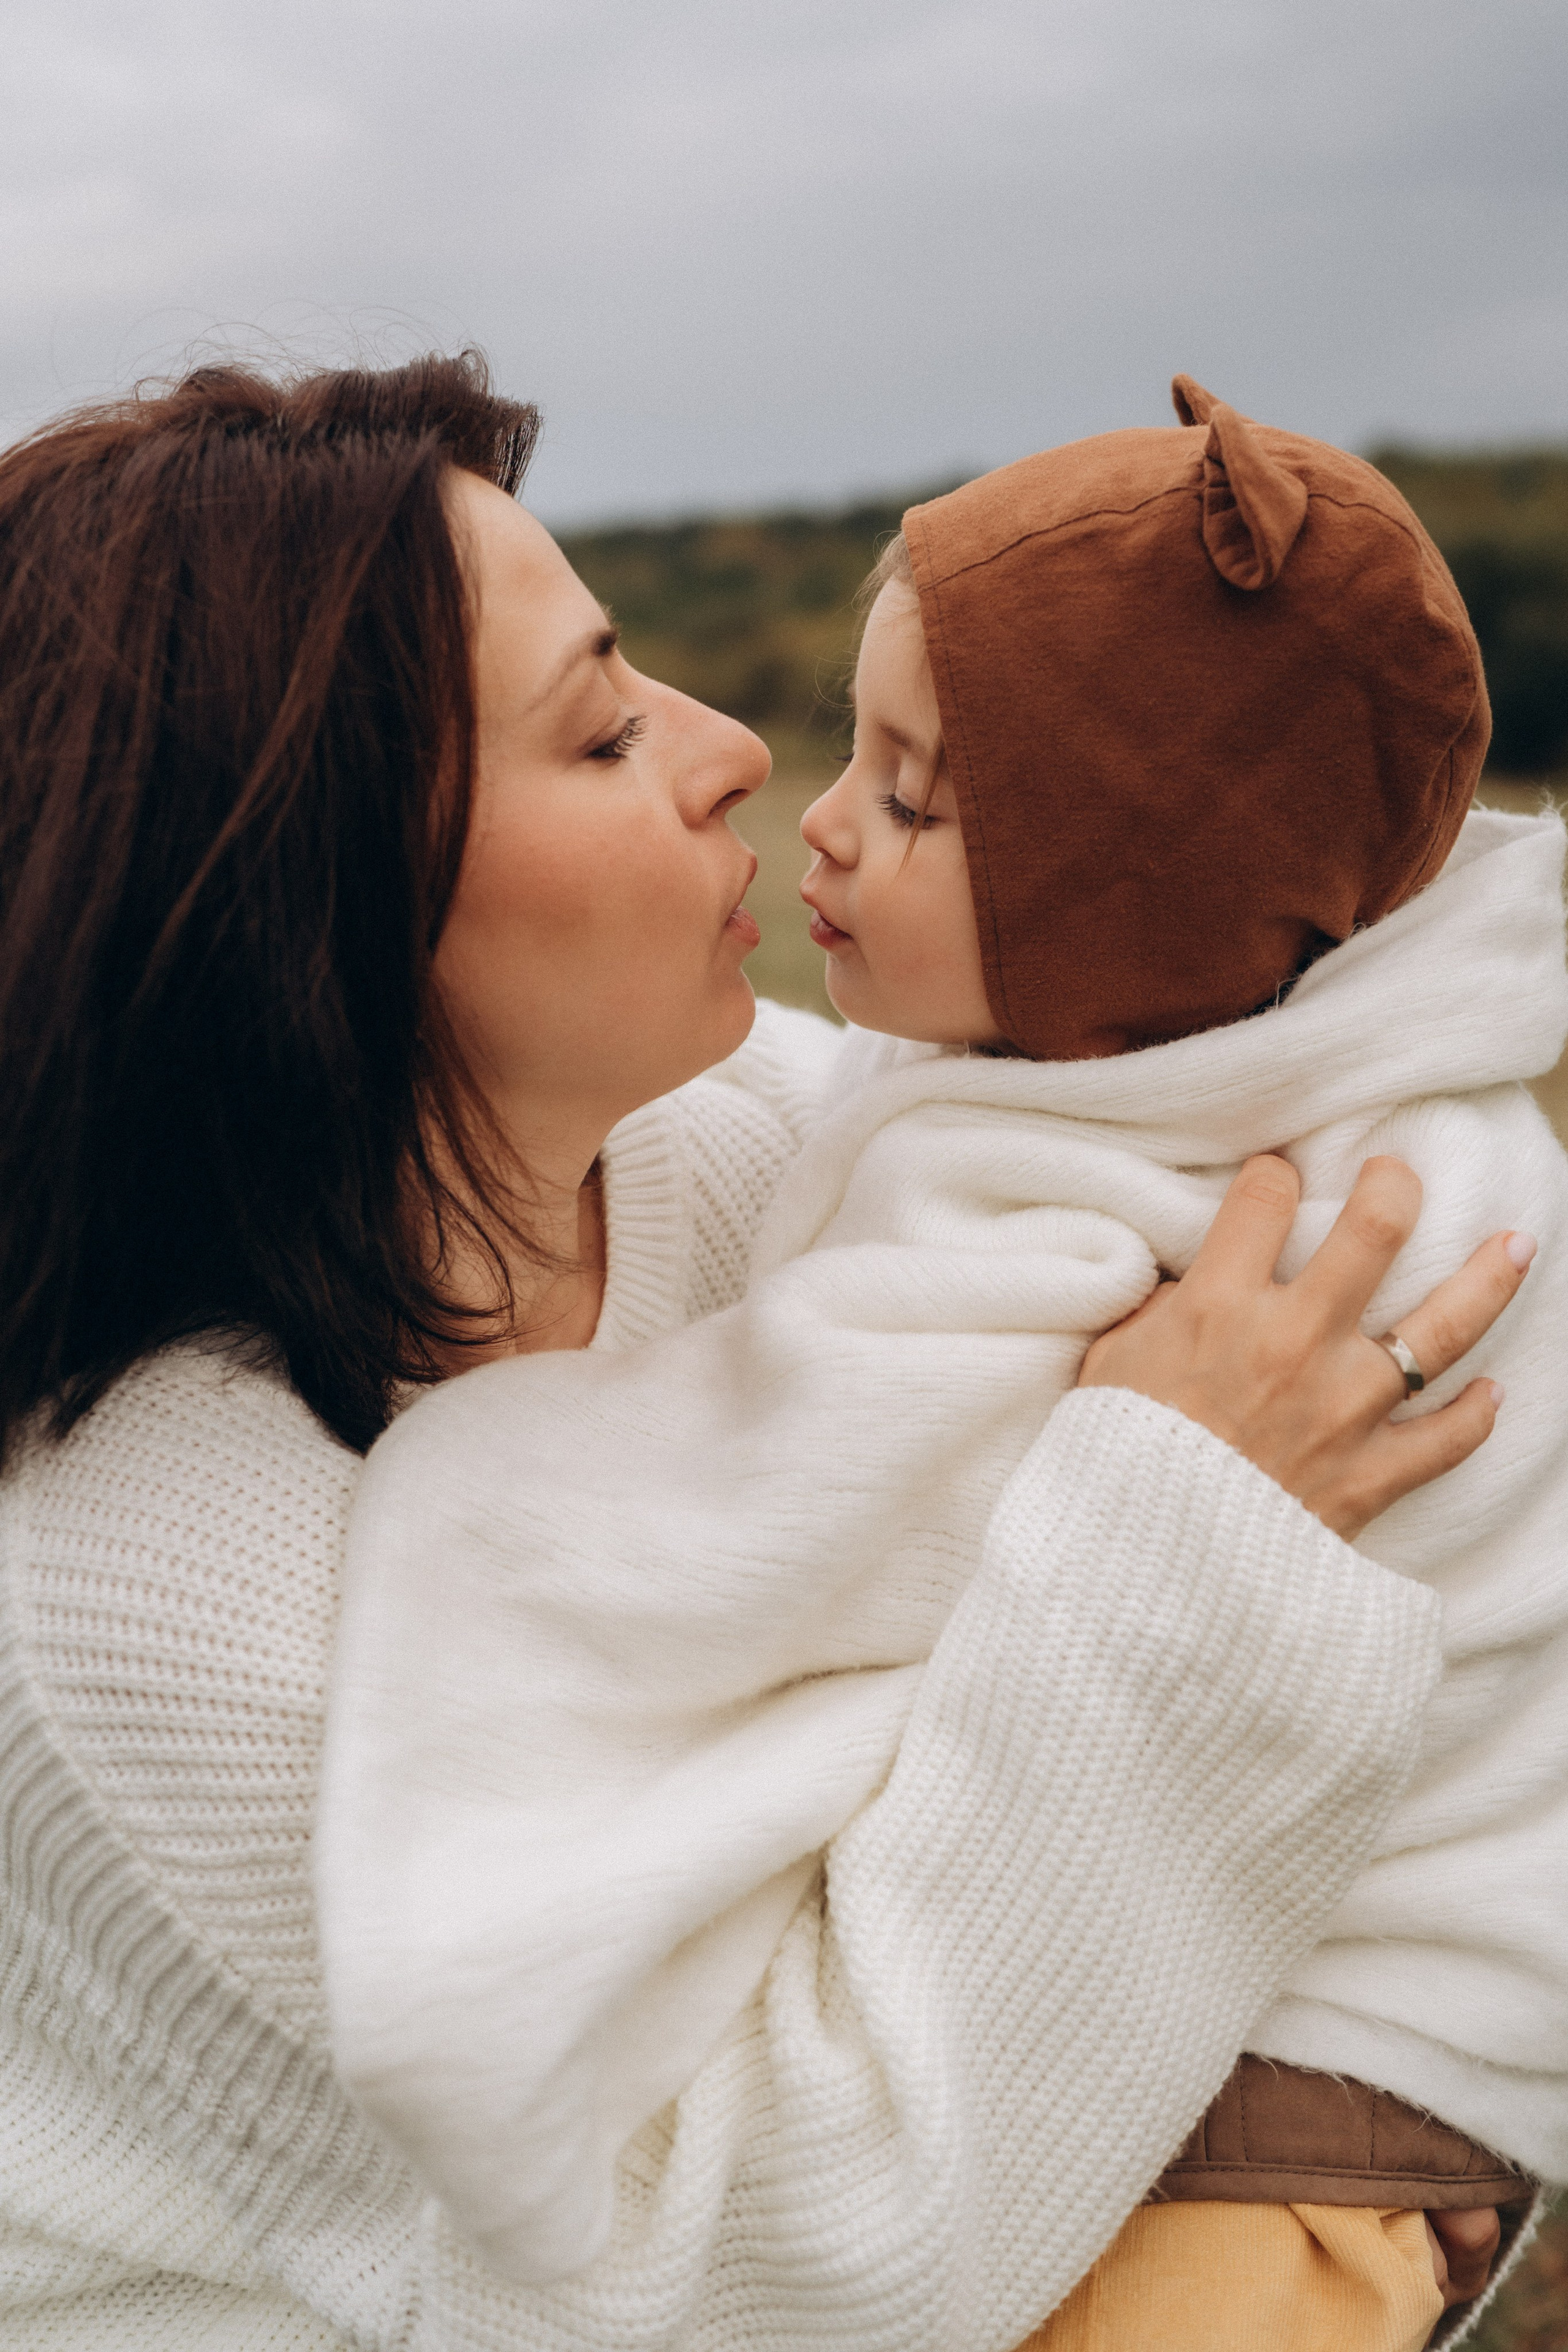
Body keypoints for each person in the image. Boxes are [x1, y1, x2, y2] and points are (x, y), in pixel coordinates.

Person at [0, 353, 1527, 2352]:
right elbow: (741, 2278)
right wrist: (1184, 1546)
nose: (731, 751)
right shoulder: (139, 1580)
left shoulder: (750, 1146)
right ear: (326, 914)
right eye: (604, 733)